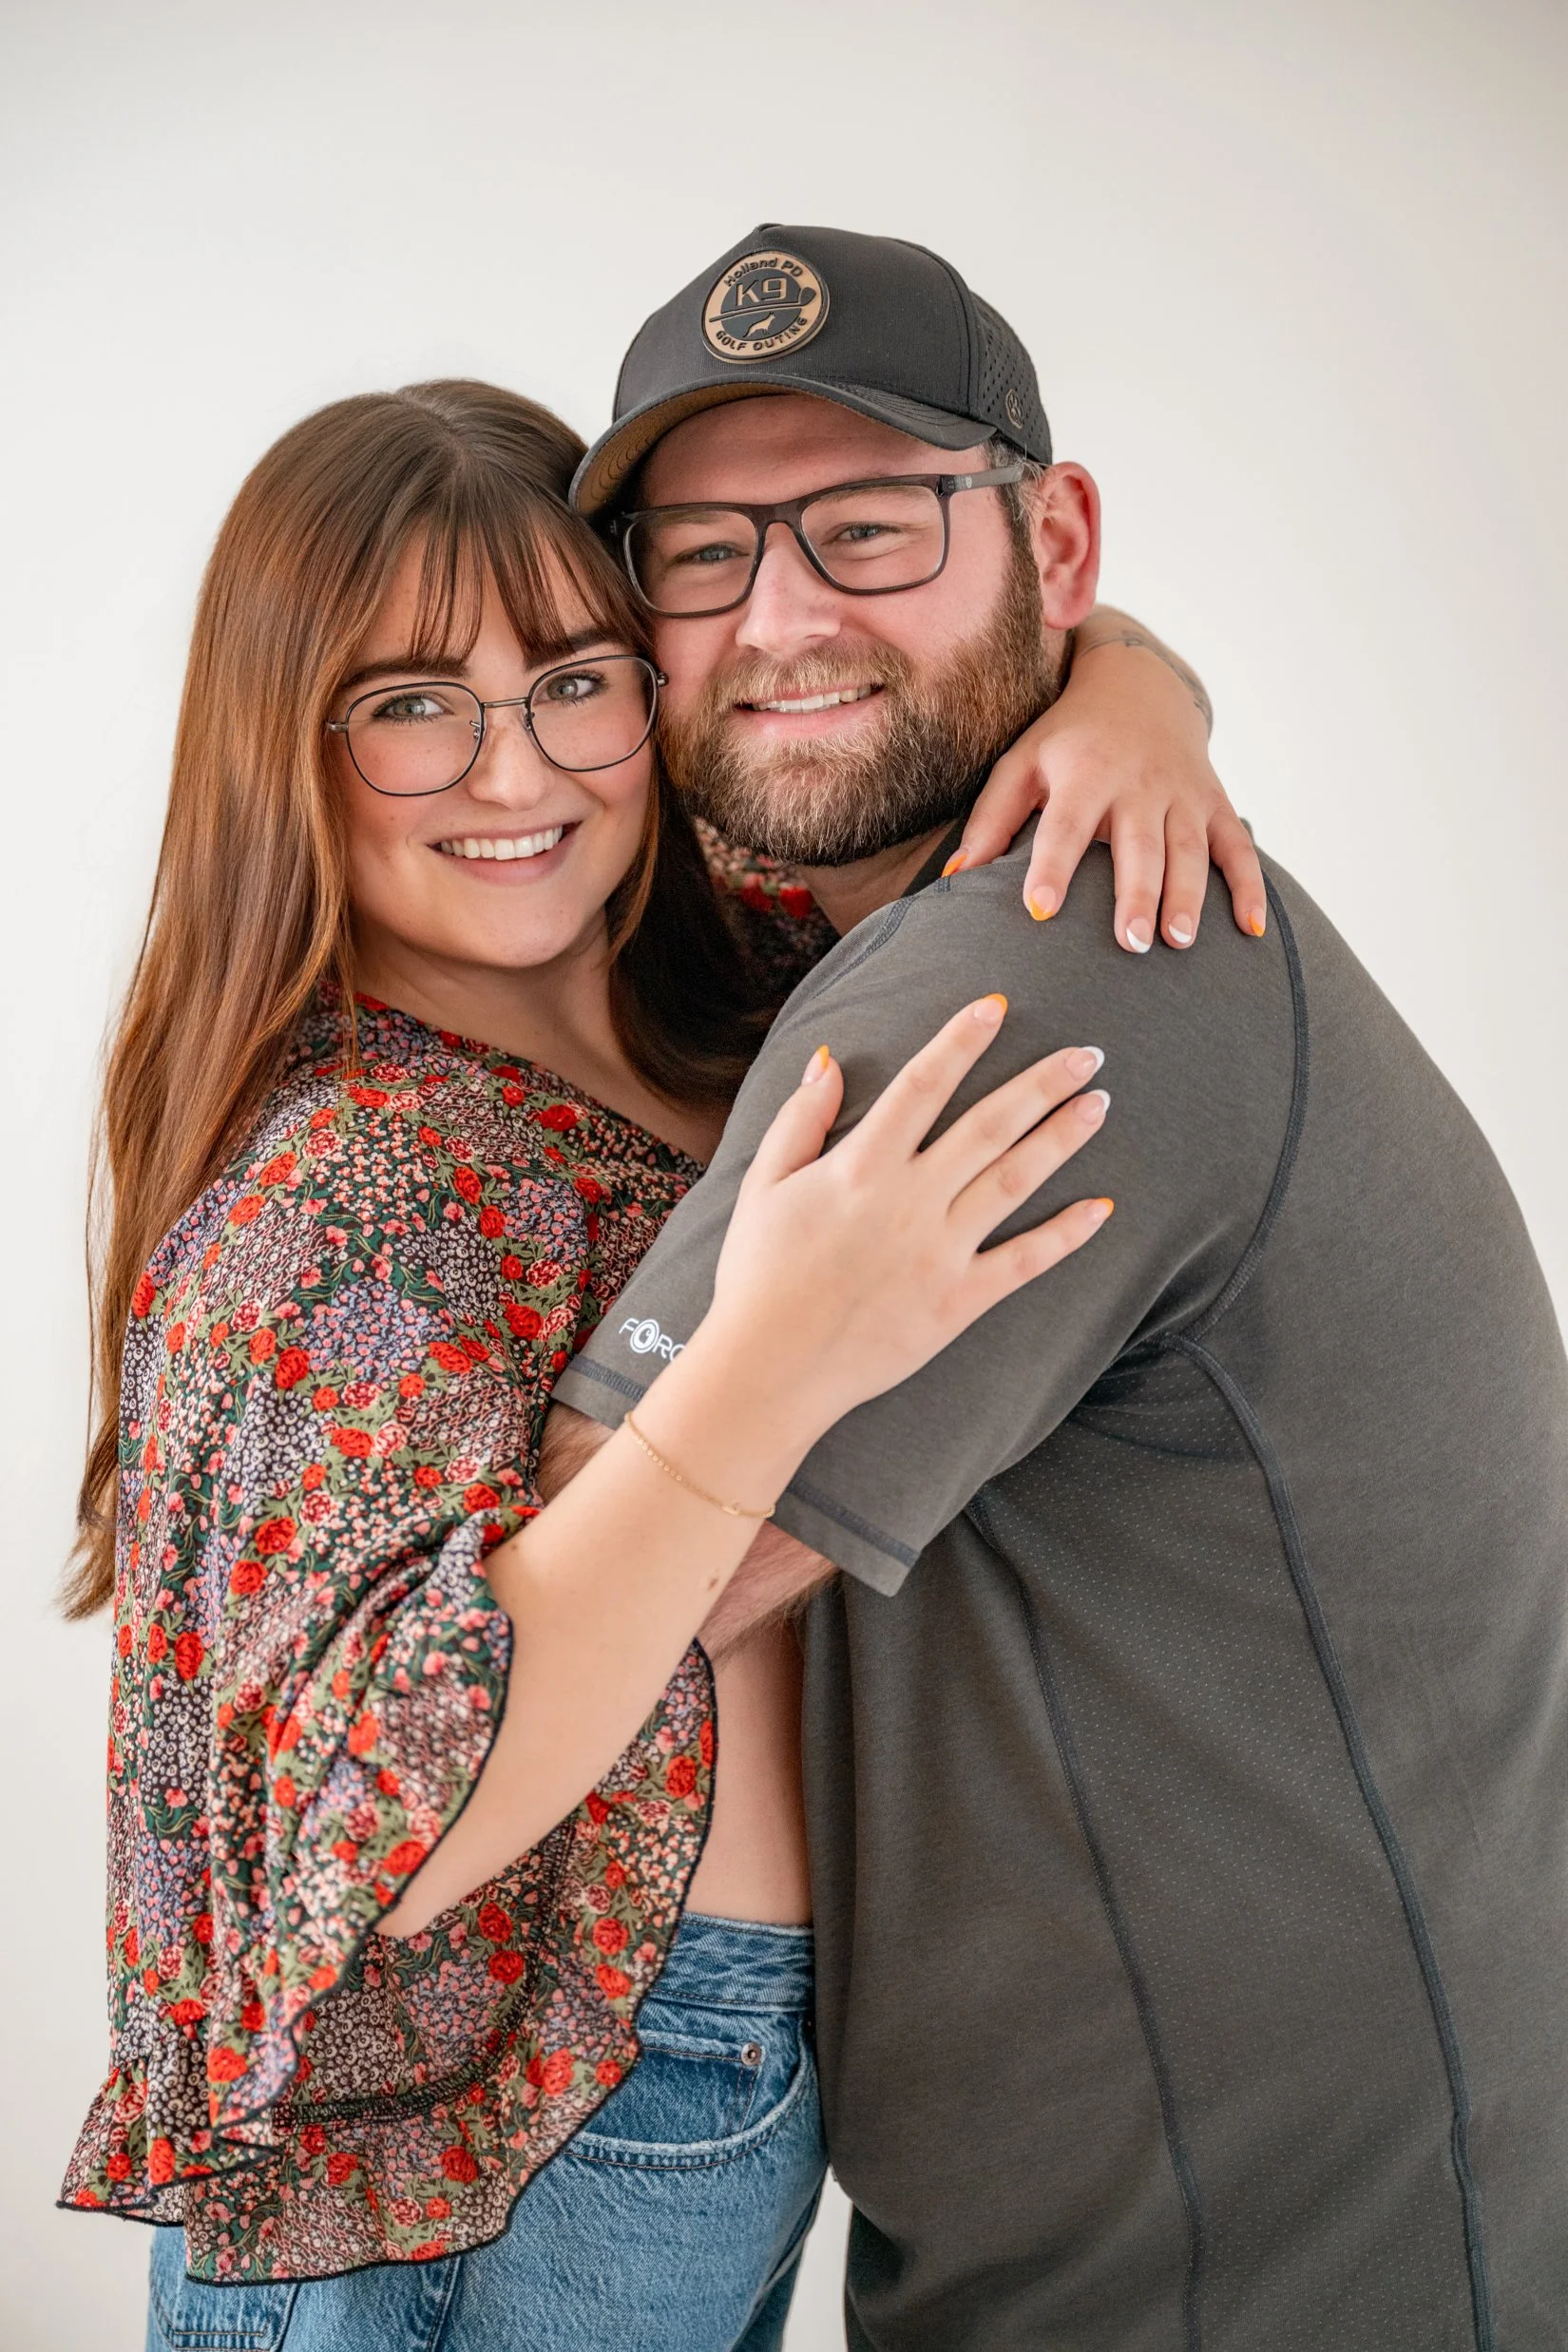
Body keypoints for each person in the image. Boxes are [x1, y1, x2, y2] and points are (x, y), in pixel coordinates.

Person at [58, 377, 1248, 2351]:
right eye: (411, 704)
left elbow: (962, 692)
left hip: (715, 2058)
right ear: (293, 749)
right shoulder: (336, 1197)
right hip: (466, 2142)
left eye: (577, 682)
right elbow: (393, 1829)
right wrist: (770, 1360)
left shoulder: (724, 988)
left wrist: (1136, 690)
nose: (512, 771)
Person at [551, 223, 1568, 2350]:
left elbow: (572, 1606)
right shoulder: (948, 883)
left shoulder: (1036, 954)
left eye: (866, 524)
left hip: (1240, 2284)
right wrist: (1137, 678)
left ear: (1054, 534)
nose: (784, 614)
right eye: (703, 553)